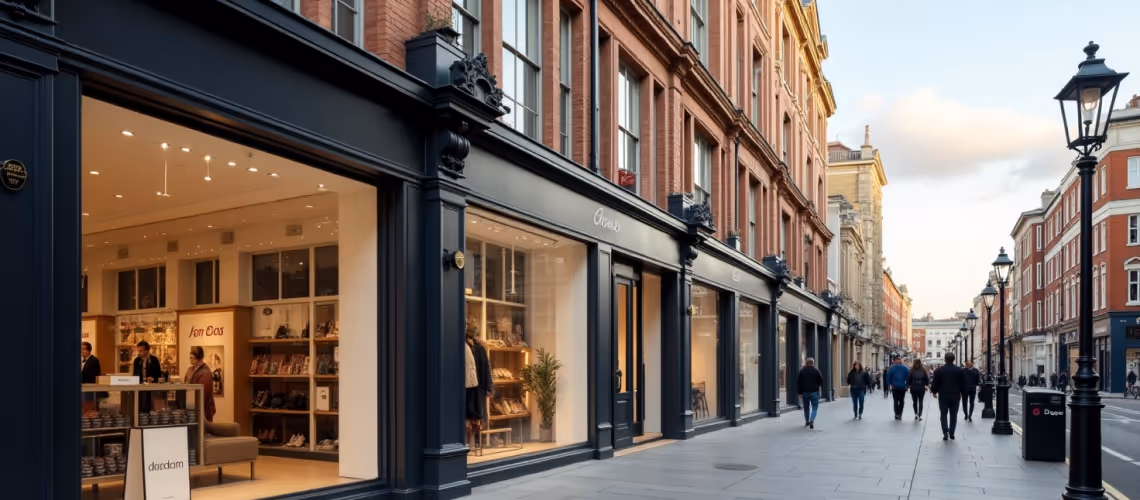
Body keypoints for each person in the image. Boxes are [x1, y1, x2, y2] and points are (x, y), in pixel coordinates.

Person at [931, 352, 966, 440]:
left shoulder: (939, 370)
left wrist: (934, 391)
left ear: (945, 359)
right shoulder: (959, 370)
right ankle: (952, 432)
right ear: (953, 359)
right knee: (953, 415)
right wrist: (962, 393)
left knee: (943, 414)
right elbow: (963, 384)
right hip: (955, 395)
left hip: (943, 395)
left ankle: (945, 432)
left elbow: (935, 382)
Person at [184, 346, 217, 422]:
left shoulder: (205, 373)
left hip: (202, 408)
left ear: (198, 358)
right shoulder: (191, 370)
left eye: (192, 358)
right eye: (190, 358)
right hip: (193, 405)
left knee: (203, 430)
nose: (191, 360)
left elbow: (204, 394)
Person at [133, 341, 163, 412]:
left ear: (147, 350)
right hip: (140, 387)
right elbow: (135, 374)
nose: (140, 353)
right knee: (140, 405)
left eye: (141, 351)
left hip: (152, 388)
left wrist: (153, 378)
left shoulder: (154, 360)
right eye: (139, 351)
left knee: (150, 406)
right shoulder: (137, 361)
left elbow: (159, 374)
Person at [797, 357, 824, 429]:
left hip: (805, 392)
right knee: (815, 407)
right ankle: (812, 420)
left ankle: (807, 421)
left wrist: (800, 393)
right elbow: (821, 382)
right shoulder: (816, 371)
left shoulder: (802, 371)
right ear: (813, 363)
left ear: (806, 363)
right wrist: (817, 385)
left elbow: (799, 383)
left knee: (806, 408)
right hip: (814, 392)